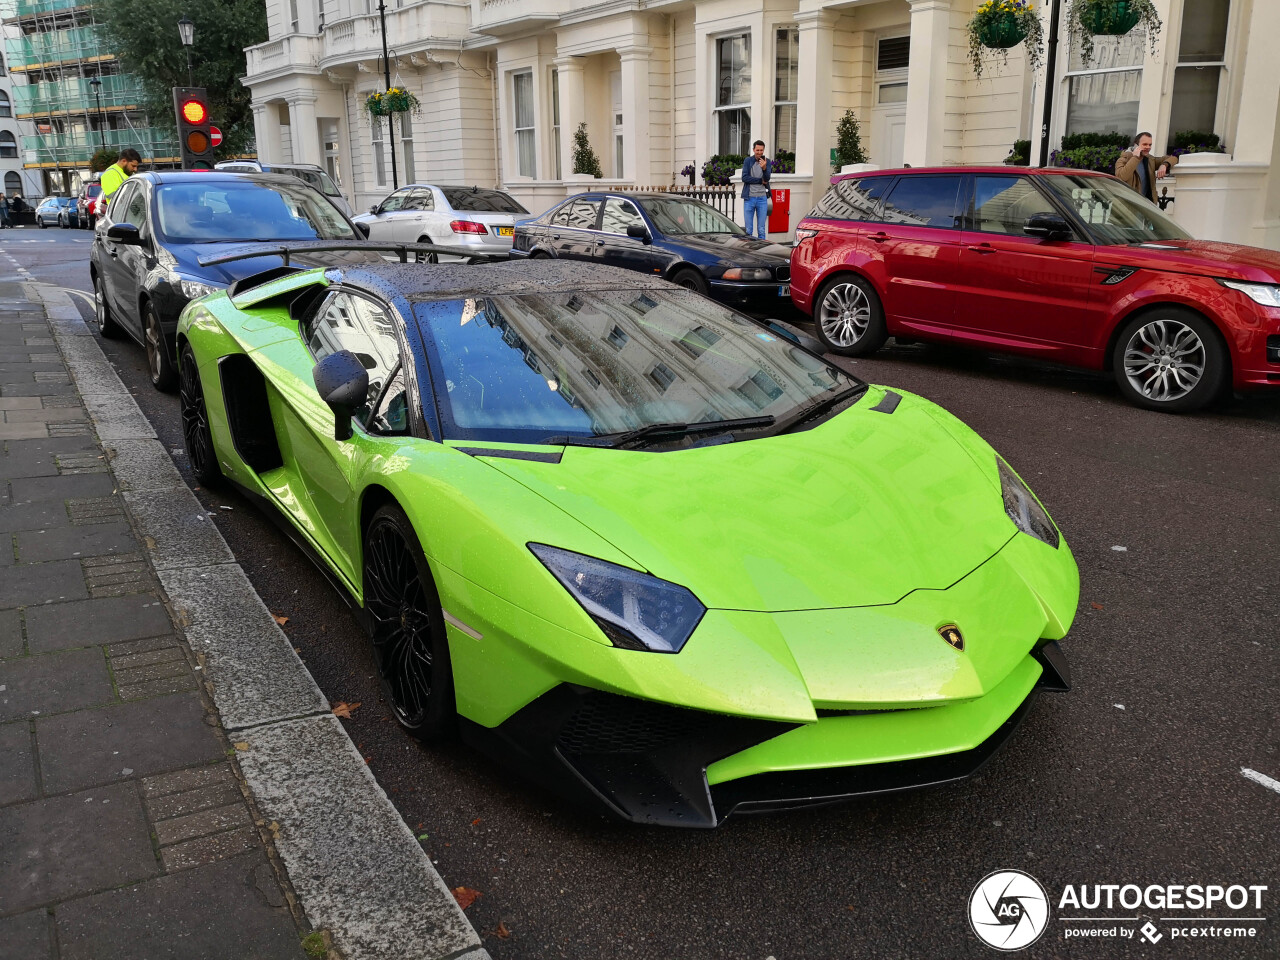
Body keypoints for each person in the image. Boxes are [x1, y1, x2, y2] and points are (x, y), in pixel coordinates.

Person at [1114, 132, 1177, 203]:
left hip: (1146, 207)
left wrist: (1164, 165)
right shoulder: (1123, 160)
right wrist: (1135, 158)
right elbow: (1121, 177)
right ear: (1136, 145)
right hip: (1128, 206)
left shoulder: (1150, 160)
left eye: (1150, 145)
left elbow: (1174, 158)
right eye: (1145, 144)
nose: (1148, 147)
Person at [740, 140, 771, 239]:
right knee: (749, 230)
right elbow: (744, 178)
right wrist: (759, 181)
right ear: (753, 150)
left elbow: (767, 179)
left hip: (762, 198)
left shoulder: (767, 162)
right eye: (757, 150)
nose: (759, 152)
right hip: (749, 198)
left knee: (761, 229)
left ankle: (761, 252)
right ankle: (749, 251)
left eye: (761, 150)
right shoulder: (748, 161)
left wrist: (765, 168)